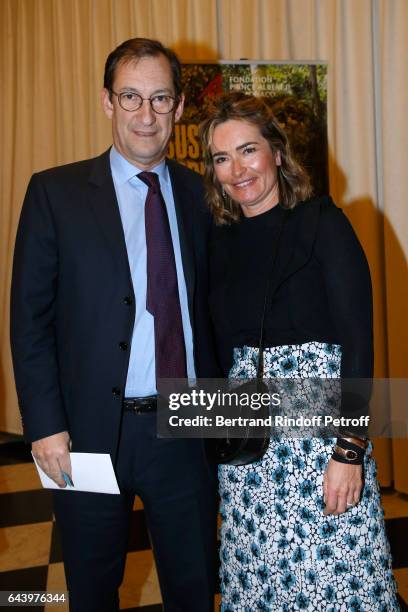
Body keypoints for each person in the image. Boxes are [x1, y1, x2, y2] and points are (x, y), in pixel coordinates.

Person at [11, 38, 218, 612]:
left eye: (160, 99)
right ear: (107, 102)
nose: (145, 115)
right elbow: (29, 322)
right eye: (131, 97)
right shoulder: (55, 193)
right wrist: (45, 427)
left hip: (187, 426)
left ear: (178, 108)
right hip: (86, 437)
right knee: (93, 590)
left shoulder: (206, 195)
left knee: (195, 587)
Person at [200, 92, 400, 611]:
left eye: (248, 150)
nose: (237, 169)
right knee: (260, 585)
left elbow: (359, 341)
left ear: (278, 154)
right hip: (249, 454)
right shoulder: (218, 241)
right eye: (222, 157)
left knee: (335, 587)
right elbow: (221, 355)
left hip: (321, 449)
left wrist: (349, 451)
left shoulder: (322, 223)